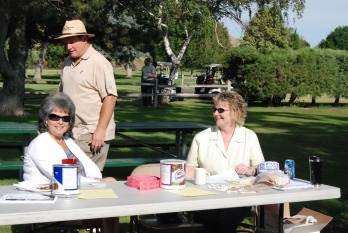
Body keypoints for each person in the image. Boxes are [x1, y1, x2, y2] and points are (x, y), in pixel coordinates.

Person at [23, 91, 118, 233]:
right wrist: (98, 183)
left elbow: (91, 168)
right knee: (109, 201)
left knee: (110, 189)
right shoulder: (39, 145)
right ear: (45, 119)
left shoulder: (68, 141)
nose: (60, 122)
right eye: (55, 117)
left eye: (65, 118)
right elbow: (63, 178)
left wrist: (98, 180)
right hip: (50, 200)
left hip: (73, 194)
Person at [186, 91, 265, 233]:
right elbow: (190, 170)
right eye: (214, 109)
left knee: (224, 220)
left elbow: (262, 168)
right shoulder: (201, 138)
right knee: (208, 219)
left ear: (235, 113)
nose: (216, 113)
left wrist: (250, 170)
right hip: (206, 195)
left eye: (221, 110)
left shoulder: (249, 136)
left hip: (239, 195)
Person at [56, 19, 118, 171]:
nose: (68, 47)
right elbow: (60, 96)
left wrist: (100, 131)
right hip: (71, 132)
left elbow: (110, 97)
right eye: (66, 43)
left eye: (72, 42)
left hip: (91, 135)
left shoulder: (98, 62)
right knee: (72, 179)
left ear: (84, 39)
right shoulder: (67, 62)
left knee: (86, 181)